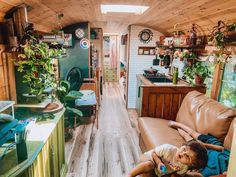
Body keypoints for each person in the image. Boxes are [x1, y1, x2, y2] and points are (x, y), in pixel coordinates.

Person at [127, 140, 208, 177]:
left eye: (187, 157)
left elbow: (174, 174)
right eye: (184, 149)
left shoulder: (184, 167)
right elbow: (154, 153)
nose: (183, 153)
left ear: (190, 164)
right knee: (149, 165)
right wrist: (159, 163)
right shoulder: (168, 149)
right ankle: (130, 175)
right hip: (149, 158)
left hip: (160, 171)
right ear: (183, 145)